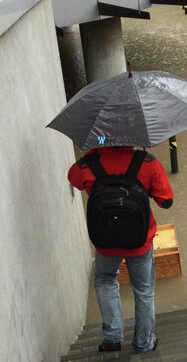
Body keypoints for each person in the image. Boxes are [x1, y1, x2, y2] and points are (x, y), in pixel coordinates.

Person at [68, 146, 173, 354]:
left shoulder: (89, 163)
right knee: (143, 289)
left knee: (105, 280)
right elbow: (166, 201)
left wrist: (90, 157)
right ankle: (144, 342)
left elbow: (73, 178)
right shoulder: (147, 162)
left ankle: (112, 337)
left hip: (106, 240)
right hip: (139, 241)